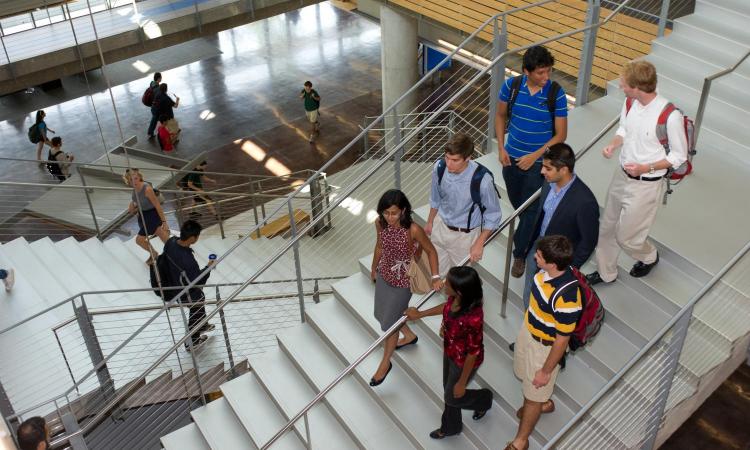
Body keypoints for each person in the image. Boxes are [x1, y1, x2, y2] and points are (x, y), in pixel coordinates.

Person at [586, 60, 688, 286]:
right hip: (621, 175)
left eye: (624, 85)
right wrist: (614, 144)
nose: (621, 87)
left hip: (646, 185)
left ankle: (649, 255)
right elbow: (624, 128)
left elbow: (679, 156)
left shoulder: (670, 116)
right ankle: (606, 273)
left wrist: (646, 168)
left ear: (638, 87)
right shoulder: (630, 102)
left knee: (627, 238)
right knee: (608, 227)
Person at [494, 45, 568, 279]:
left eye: (548, 72)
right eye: (540, 73)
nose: (546, 77)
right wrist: (500, 147)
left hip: (538, 164)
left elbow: (561, 135)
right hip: (510, 160)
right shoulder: (511, 87)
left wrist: (535, 157)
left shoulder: (556, 93)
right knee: (520, 207)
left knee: (530, 209)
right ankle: (528, 237)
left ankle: (519, 252)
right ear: (527, 71)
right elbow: (500, 115)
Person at [507, 235, 582, 450]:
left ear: (553, 263)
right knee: (524, 376)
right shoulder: (545, 272)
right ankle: (543, 402)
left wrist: (546, 371)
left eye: (539, 256)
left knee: (533, 391)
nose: (534, 258)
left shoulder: (568, 299)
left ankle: (521, 441)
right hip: (528, 332)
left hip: (544, 348)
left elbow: (561, 341)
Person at [405, 266, 493, 440]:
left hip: (463, 361)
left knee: (452, 397)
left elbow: (473, 353)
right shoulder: (457, 298)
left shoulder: (473, 317)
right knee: (448, 390)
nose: (444, 284)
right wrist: (420, 314)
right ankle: (452, 426)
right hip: (450, 351)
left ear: (459, 291)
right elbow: (446, 307)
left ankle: (484, 399)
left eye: (448, 282)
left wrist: (462, 382)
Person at [369, 189, 441, 387]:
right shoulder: (379, 223)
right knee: (383, 314)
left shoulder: (413, 230)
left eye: (394, 213)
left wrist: (435, 276)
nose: (389, 217)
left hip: (403, 280)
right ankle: (409, 335)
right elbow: (379, 246)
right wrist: (374, 268)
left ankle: (385, 363)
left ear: (403, 210)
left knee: (389, 325)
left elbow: (431, 251)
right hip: (385, 274)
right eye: (385, 213)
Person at [520, 143, 599, 309]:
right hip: (538, 246)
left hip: (558, 261)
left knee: (547, 302)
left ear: (563, 170)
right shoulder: (548, 183)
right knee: (530, 290)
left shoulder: (585, 201)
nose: (542, 172)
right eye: (543, 166)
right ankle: (529, 320)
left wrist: (568, 268)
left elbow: (588, 241)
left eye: (548, 168)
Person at [425, 133, 501, 275]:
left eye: (455, 160)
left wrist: (479, 242)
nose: (448, 164)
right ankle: (449, 297)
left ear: (468, 158)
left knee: (461, 279)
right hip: (440, 226)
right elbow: (435, 198)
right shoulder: (439, 168)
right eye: (447, 157)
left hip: (464, 237)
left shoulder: (482, 180)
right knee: (439, 272)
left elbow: (493, 215)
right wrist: (430, 221)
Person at [163, 220, 216, 351]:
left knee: (199, 302)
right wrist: (209, 266)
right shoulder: (188, 260)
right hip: (185, 292)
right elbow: (198, 280)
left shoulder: (171, 242)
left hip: (172, 283)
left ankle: (202, 325)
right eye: (198, 236)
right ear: (192, 238)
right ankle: (192, 341)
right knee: (196, 308)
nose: (198, 238)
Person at [126, 168, 170, 264]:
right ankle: (174, 251)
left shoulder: (147, 189)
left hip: (152, 215)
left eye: (136, 178)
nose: (134, 182)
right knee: (160, 233)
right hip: (143, 215)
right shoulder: (134, 190)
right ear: (128, 182)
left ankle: (155, 253)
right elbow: (134, 208)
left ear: (139, 177)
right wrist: (132, 203)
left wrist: (164, 222)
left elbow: (158, 206)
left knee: (139, 240)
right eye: (131, 180)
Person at [146, 72, 163, 138]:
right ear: (159, 78)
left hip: (153, 106)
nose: (161, 78)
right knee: (163, 119)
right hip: (156, 107)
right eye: (161, 77)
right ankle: (168, 131)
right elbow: (159, 98)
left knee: (154, 120)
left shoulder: (152, 83)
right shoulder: (157, 88)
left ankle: (150, 132)